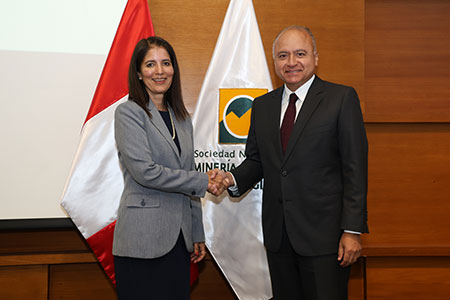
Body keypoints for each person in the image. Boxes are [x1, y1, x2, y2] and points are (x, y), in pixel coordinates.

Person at [212, 25, 368, 299]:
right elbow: (257, 160)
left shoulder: (341, 99)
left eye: (300, 54)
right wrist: (231, 179)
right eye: (283, 55)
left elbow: (355, 168)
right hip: (279, 236)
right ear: (275, 62)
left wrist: (352, 230)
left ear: (316, 58)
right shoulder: (262, 106)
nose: (292, 62)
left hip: (326, 238)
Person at [113, 36, 223, 299]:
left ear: (174, 68)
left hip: (179, 241)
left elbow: (189, 173)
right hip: (142, 240)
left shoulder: (182, 118)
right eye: (150, 64)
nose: (160, 71)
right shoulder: (129, 113)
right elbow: (145, 172)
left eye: (166, 63)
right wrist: (202, 180)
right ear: (138, 73)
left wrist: (196, 231)